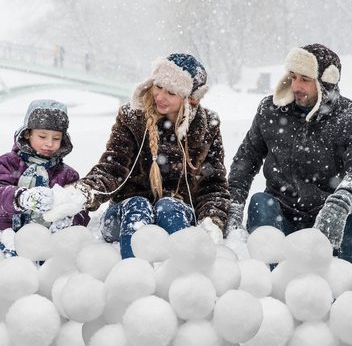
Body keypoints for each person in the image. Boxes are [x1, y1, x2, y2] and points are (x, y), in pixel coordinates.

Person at [50, 53, 230, 258]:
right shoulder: (132, 117)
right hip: (125, 212)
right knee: (138, 206)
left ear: (190, 100)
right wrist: (85, 191)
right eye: (158, 86)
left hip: (175, 214)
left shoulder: (207, 126)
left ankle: (181, 271)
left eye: (170, 92)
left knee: (169, 207)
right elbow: (113, 166)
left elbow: (213, 183)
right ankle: (133, 273)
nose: (160, 96)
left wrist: (212, 220)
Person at [227, 43, 352, 283]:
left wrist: (340, 203)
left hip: (328, 220)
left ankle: (350, 282)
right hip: (282, 214)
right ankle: (272, 281)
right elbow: (246, 159)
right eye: (293, 77)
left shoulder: (350, 117)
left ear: (325, 82)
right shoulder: (270, 110)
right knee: (260, 202)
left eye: (305, 79)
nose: (296, 86)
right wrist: (234, 206)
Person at [0, 99, 90, 256]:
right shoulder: (7, 163)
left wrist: (69, 219)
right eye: (42, 136)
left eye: (56, 138)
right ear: (28, 134)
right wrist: (21, 198)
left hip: (46, 246)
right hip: (6, 239)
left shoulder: (68, 175)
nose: (49, 144)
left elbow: (81, 211)